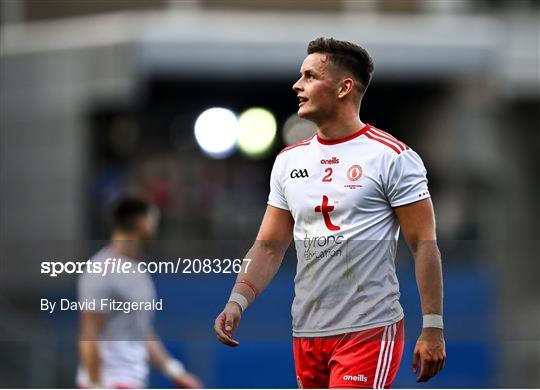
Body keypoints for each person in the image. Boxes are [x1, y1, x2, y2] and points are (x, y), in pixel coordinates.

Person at [214, 37, 446, 388]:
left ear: (343, 87)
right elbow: (269, 247)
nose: (297, 85)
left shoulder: (392, 157)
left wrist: (433, 326)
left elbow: (423, 244)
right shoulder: (288, 161)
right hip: (307, 331)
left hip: (368, 329)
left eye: (309, 76)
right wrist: (237, 301)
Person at [77, 195, 202, 388]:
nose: (155, 228)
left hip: (130, 381)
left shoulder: (138, 272)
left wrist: (175, 372)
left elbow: (141, 331)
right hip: (110, 382)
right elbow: (89, 333)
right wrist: (96, 384)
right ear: (142, 223)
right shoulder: (101, 270)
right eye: (153, 221)